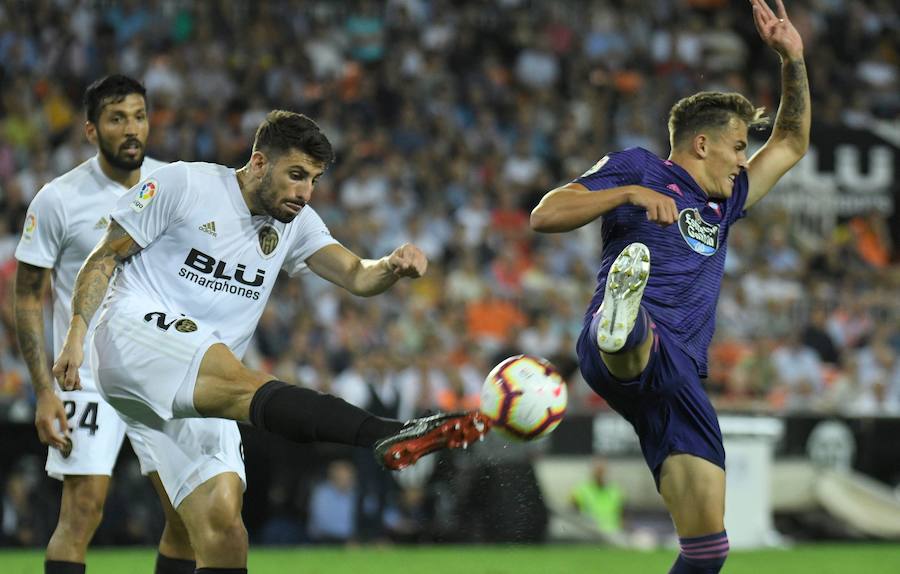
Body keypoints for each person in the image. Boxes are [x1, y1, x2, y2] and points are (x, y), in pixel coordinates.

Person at [52, 109, 488, 573]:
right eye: (296, 175)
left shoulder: (296, 223)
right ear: (259, 163)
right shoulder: (186, 184)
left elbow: (357, 275)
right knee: (234, 376)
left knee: (220, 529)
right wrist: (76, 335)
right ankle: (383, 432)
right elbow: (102, 258)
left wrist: (391, 266)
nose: (305, 192)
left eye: (315, 180)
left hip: (193, 384)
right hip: (130, 335)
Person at [530, 1, 808, 572]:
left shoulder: (725, 202)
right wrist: (626, 195)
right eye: (736, 147)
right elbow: (547, 213)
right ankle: (622, 322)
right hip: (633, 350)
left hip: (679, 378)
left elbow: (792, 142)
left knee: (708, 550)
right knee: (636, 344)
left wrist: (793, 61)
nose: (743, 160)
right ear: (702, 145)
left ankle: (626, 329)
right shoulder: (639, 167)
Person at [14, 75, 195, 574]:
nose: (132, 128)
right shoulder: (59, 199)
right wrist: (44, 392)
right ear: (91, 129)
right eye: (117, 118)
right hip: (85, 376)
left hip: (159, 371)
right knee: (82, 510)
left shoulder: (176, 185)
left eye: (139, 116)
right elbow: (28, 295)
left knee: (184, 513)